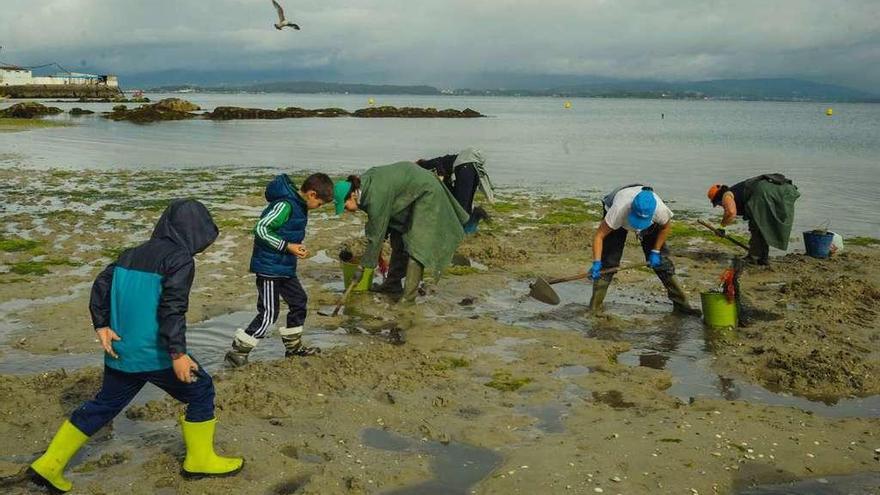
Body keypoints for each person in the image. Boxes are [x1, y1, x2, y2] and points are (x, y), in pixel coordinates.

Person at [29, 200, 242, 492]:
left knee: (104, 404)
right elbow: (172, 309)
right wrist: (178, 354)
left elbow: (101, 283)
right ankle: (200, 461)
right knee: (201, 390)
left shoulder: (130, 254)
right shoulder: (180, 259)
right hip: (154, 352)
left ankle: (48, 465)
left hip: (121, 350)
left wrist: (101, 324)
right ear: (195, 230)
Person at [225, 173, 334, 367]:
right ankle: (238, 351)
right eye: (320, 204)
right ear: (312, 194)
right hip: (269, 268)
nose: (319, 208)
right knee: (269, 313)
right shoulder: (285, 205)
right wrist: (287, 246)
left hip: (284, 267)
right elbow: (261, 229)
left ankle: (293, 348)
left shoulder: (300, 206)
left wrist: (294, 248)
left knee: (299, 301)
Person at [334, 161, 470, 302]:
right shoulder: (364, 186)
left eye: (344, 205)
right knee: (398, 237)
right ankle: (392, 285)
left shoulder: (375, 194)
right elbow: (380, 226)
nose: (345, 210)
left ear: (352, 196)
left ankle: (409, 298)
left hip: (426, 192)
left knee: (416, 245)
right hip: (408, 195)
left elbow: (376, 235)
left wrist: (362, 269)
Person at [589, 184, 700, 315]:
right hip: (618, 206)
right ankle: (595, 308)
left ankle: (682, 306)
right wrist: (597, 262)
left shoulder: (660, 210)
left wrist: (656, 251)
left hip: (649, 219)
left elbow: (665, 228)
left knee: (662, 262)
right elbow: (599, 236)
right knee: (608, 263)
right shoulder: (619, 209)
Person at [707, 174, 800, 266]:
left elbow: (731, 212)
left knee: (756, 226)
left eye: (719, 204)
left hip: (763, 192)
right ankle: (762, 258)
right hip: (777, 191)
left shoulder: (726, 195)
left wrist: (721, 226)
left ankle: (754, 257)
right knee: (763, 227)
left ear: (718, 197)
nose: (721, 206)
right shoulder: (737, 191)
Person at [417, 147, 495, 233]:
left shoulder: (426, 164)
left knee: (461, 206)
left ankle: (472, 220)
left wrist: (440, 176)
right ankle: (473, 220)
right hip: (473, 167)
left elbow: (437, 165)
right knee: (466, 203)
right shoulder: (447, 162)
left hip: (465, 167)